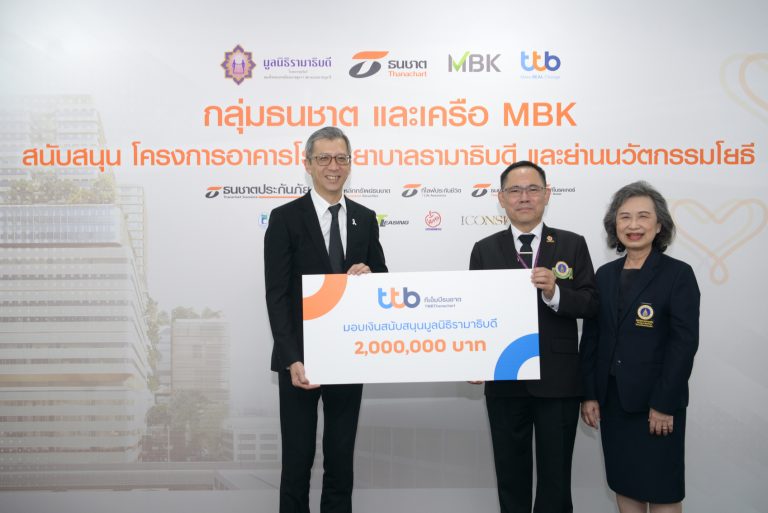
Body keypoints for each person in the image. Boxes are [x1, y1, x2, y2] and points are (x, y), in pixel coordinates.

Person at [264, 126, 387, 513]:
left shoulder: (365, 218)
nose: (333, 166)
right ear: (308, 164)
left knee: (340, 461)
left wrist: (370, 275)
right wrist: (291, 358)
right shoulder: (285, 218)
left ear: (350, 164)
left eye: (341, 158)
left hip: (349, 355)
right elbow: (276, 295)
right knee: (297, 461)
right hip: (300, 361)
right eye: (324, 158)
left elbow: (383, 280)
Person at [469, 161, 598, 513]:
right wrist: (473, 359)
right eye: (514, 190)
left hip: (558, 381)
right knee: (510, 477)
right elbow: (475, 313)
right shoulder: (484, 248)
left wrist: (556, 292)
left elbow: (591, 303)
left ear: (547, 194)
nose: (524, 197)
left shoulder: (572, 244)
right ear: (501, 198)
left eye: (532, 189)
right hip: (505, 378)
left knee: (556, 480)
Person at [580, 181, 699, 513]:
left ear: (659, 225)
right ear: (614, 225)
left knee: (662, 491)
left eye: (643, 216)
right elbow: (592, 337)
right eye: (625, 217)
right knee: (625, 484)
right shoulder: (604, 275)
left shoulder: (678, 275)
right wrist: (589, 394)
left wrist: (664, 403)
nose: (634, 225)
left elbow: (684, 344)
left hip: (656, 406)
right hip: (613, 402)